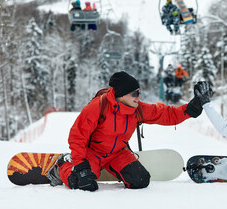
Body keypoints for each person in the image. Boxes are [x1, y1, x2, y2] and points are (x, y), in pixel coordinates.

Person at [46, 71, 203, 192]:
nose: (138, 96)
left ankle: (93, 170)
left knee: (141, 180)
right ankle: (63, 166)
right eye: (134, 93)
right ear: (121, 95)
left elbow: (165, 114)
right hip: (92, 153)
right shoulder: (98, 107)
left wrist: (190, 109)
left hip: (118, 153)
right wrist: (80, 164)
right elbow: (78, 136)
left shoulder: (137, 109)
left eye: (139, 92)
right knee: (82, 184)